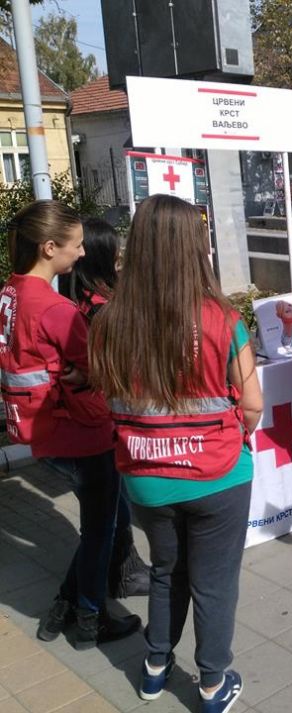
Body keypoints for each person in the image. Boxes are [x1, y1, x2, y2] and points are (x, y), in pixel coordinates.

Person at [89, 194, 262, 711]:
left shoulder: (108, 322)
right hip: (218, 474)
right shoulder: (222, 319)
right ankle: (211, 684)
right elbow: (252, 404)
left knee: (167, 571)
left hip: (145, 477)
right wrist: (234, 431)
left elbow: (107, 397)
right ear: (193, 248)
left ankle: (154, 668)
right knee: (213, 583)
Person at [0, 201, 141, 650]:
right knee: (100, 531)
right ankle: (89, 619)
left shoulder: (9, 294)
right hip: (82, 434)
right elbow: (102, 371)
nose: (82, 253)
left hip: (39, 433)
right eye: (76, 245)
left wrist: (75, 372)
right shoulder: (56, 310)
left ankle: (64, 603)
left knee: (106, 520)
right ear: (48, 248)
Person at [67, 217, 151, 599]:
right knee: (108, 512)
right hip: (109, 418)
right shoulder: (103, 308)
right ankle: (99, 592)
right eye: (115, 250)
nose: (121, 255)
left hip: (90, 419)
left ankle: (121, 570)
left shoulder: (79, 298)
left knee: (108, 507)